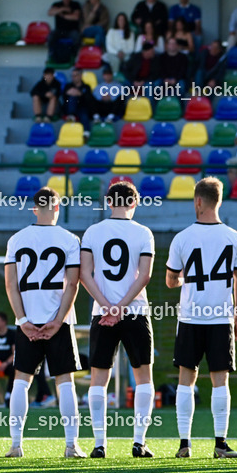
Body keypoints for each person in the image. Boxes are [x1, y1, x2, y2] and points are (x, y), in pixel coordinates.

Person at [166, 177, 237, 459]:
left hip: (190, 317)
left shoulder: (182, 237)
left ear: (198, 201)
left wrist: (184, 280)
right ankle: (220, 444)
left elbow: (170, 280)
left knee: (186, 379)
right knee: (220, 381)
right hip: (220, 318)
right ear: (219, 201)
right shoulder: (235, 238)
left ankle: (184, 444)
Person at [4, 187, 83, 458]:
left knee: (21, 382)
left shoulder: (16, 239)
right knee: (65, 382)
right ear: (58, 208)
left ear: (34, 208)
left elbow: (11, 284)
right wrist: (59, 321)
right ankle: (72, 445)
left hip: (28, 320)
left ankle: (16, 445)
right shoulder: (70, 239)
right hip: (59, 321)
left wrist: (23, 320)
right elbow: (73, 283)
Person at [80, 181, 156, 458]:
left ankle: (99, 444)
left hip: (102, 313)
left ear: (109, 203)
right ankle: (139, 442)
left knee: (98, 378)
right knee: (144, 377)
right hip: (135, 311)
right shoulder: (143, 232)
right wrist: (122, 307)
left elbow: (84, 274)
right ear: (135, 203)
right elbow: (144, 275)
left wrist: (107, 306)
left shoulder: (93, 232)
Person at [47, 0, 82, 64]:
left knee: (77, 37)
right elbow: (50, 13)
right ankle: (51, 55)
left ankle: (74, 56)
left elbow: (76, 17)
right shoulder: (57, 4)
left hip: (72, 30)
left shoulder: (75, 4)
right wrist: (62, 9)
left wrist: (63, 15)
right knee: (51, 36)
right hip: (59, 30)